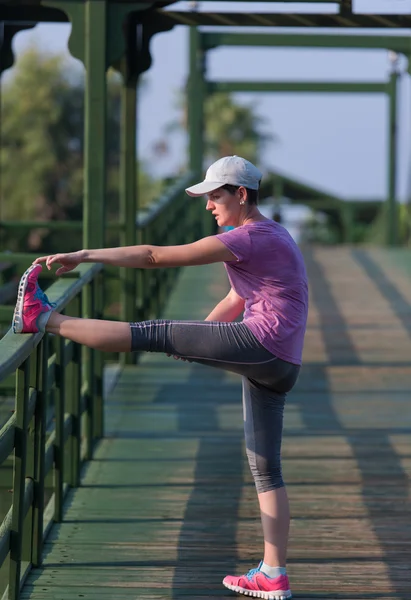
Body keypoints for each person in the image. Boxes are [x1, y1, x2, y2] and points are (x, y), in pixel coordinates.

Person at [12, 155, 308, 600]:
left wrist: (85, 254)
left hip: (261, 344)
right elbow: (237, 295)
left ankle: (42, 318)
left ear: (241, 195)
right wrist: (200, 338)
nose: (208, 205)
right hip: (284, 362)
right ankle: (273, 573)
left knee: (149, 332)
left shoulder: (248, 237)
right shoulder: (272, 235)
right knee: (266, 470)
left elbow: (155, 256)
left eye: (215, 196)